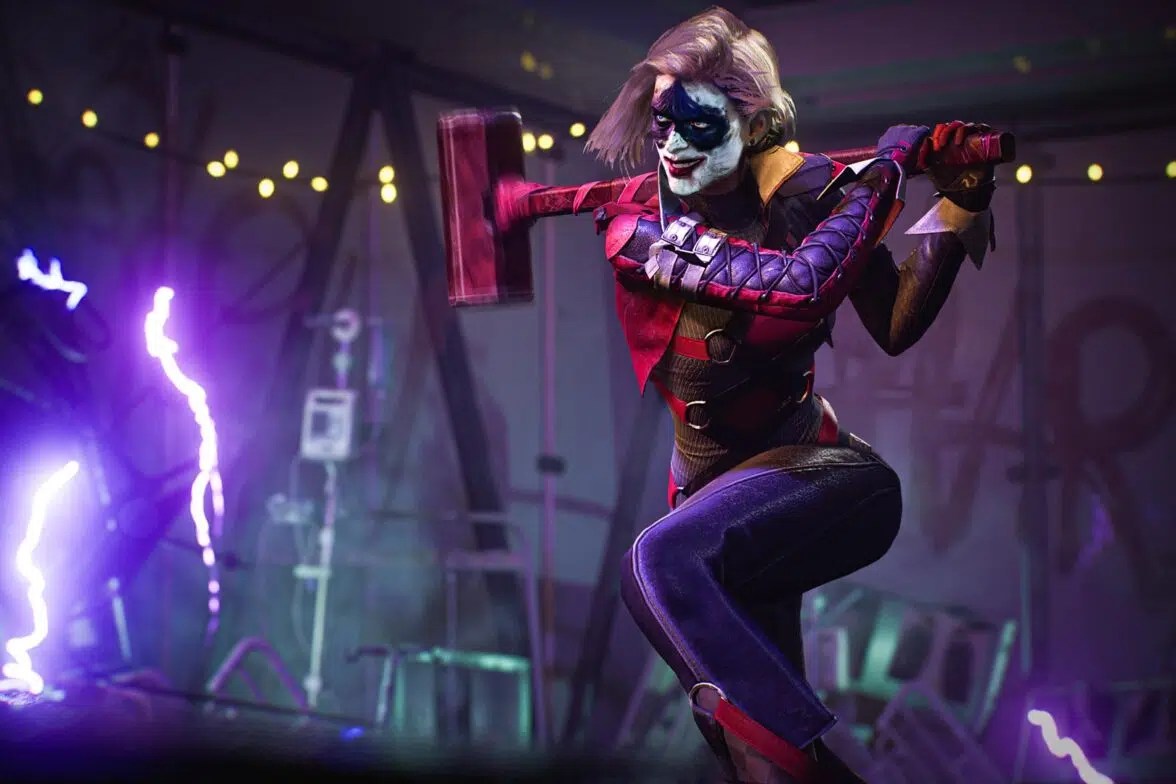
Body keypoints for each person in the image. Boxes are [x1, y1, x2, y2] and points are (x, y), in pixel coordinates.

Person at [583, 7, 996, 783]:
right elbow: (801, 285)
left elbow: (895, 322)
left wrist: (961, 203)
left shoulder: (807, 196)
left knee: (657, 564)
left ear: (756, 121)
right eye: (661, 123)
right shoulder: (643, 226)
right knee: (749, 753)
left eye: (695, 123)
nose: (670, 143)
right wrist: (883, 174)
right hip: (713, 506)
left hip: (820, 475)